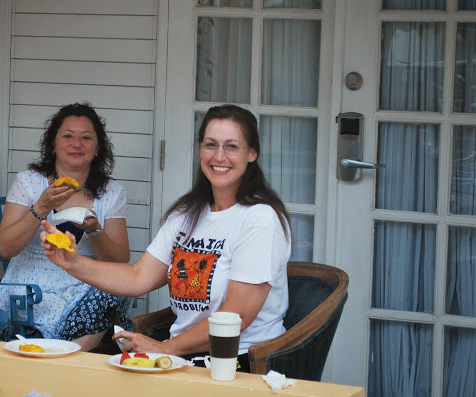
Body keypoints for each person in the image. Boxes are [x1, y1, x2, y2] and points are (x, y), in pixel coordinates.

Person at [40, 104, 292, 368]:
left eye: (231, 146)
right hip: (182, 357)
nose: (219, 156)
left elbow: (235, 316)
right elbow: (138, 277)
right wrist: (74, 263)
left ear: (251, 153)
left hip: (238, 362)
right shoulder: (187, 214)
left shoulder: (260, 219)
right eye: (210, 145)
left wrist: (164, 348)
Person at [0, 102, 132, 350]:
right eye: (67, 136)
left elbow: (120, 260)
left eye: (86, 137)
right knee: (106, 302)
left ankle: (57, 353)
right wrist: (42, 205)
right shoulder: (29, 183)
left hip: (85, 282)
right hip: (31, 287)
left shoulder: (112, 193)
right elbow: (6, 248)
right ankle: (65, 353)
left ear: (98, 148)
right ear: (53, 145)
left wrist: (94, 230)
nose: (76, 144)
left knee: (118, 287)